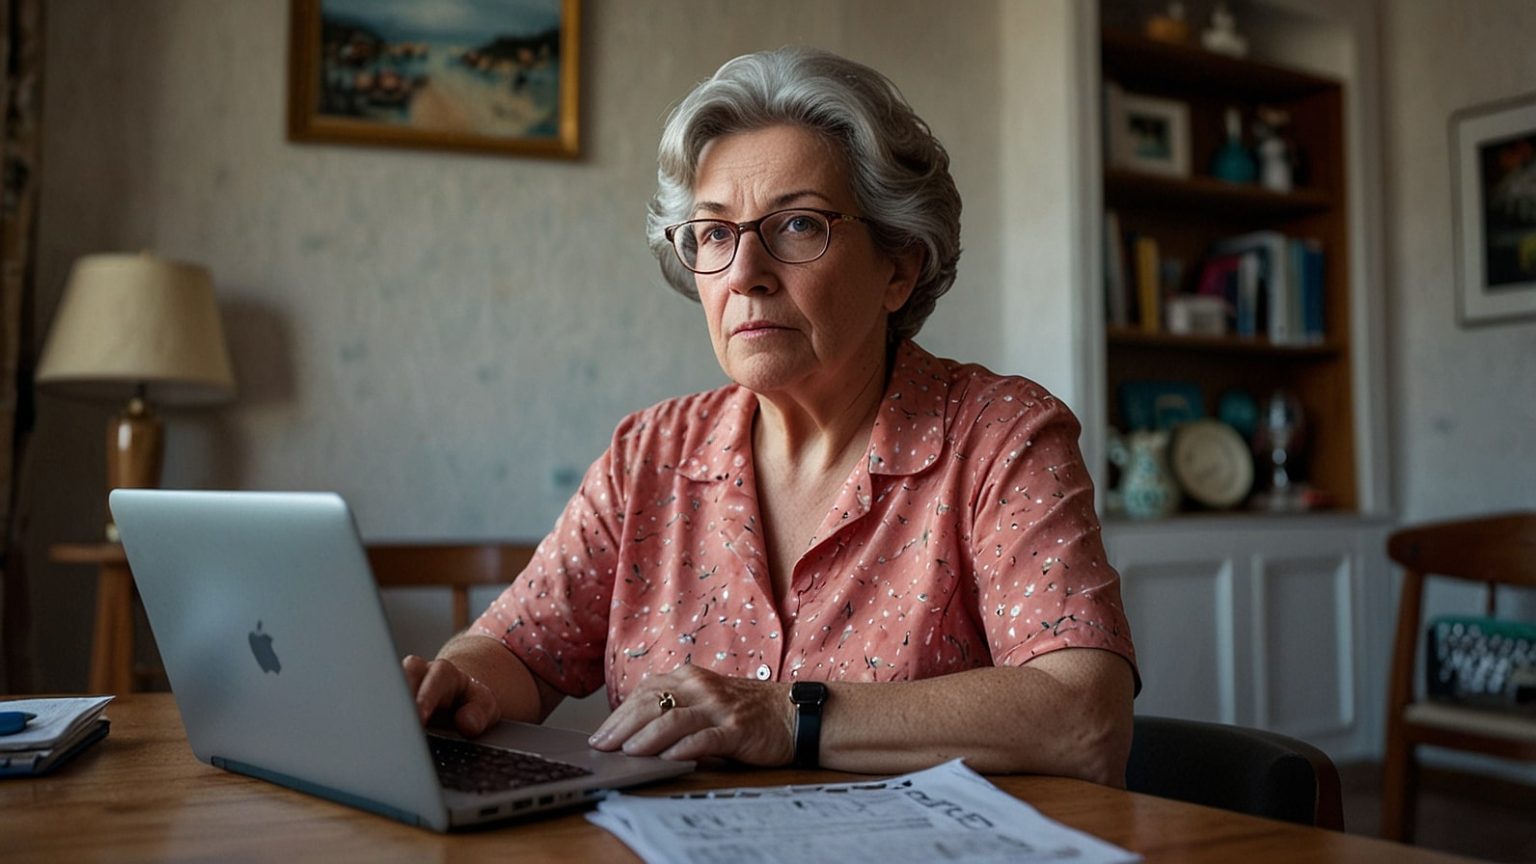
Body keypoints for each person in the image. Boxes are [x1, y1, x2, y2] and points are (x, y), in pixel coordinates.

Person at [405, 47, 1138, 786]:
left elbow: (1082, 718)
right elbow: (518, 649)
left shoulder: (1002, 435)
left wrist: (787, 714)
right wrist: (456, 683)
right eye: (717, 233)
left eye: (796, 226)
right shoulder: (649, 455)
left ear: (899, 266)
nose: (746, 276)